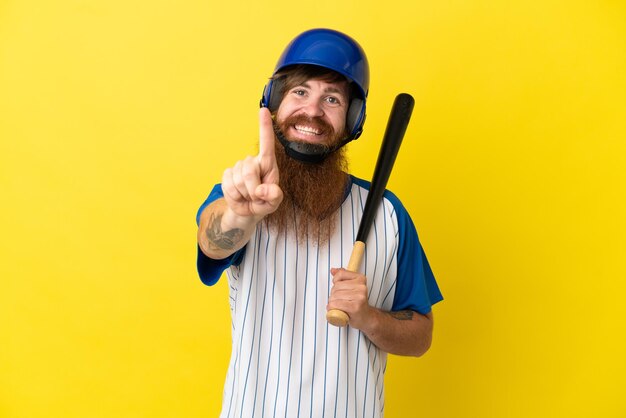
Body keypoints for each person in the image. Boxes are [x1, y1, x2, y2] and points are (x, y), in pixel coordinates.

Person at [195, 28, 443, 418]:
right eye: (299, 92)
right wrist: (240, 212)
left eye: (331, 99)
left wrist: (369, 317)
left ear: (352, 119)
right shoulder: (241, 195)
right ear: (273, 104)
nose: (312, 110)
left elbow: (420, 336)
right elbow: (213, 243)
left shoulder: (388, 214)